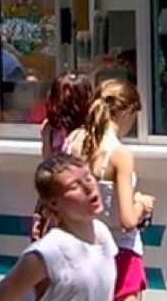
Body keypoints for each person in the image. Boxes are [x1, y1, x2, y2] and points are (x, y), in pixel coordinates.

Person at [0, 153, 117, 301]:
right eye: (74, 186)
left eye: (88, 177)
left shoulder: (102, 232)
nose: (88, 187)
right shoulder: (47, 252)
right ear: (53, 203)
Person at [66, 79, 154, 301]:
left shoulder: (74, 141)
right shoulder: (120, 154)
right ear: (127, 112)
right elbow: (128, 220)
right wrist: (141, 204)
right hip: (121, 253)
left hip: (83, 248)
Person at [32, 72, 94, 240]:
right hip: (62, 204)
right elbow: (47, 173)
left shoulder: (86, 132)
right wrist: (40, 212)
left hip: (72, 204)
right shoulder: (50, 129)